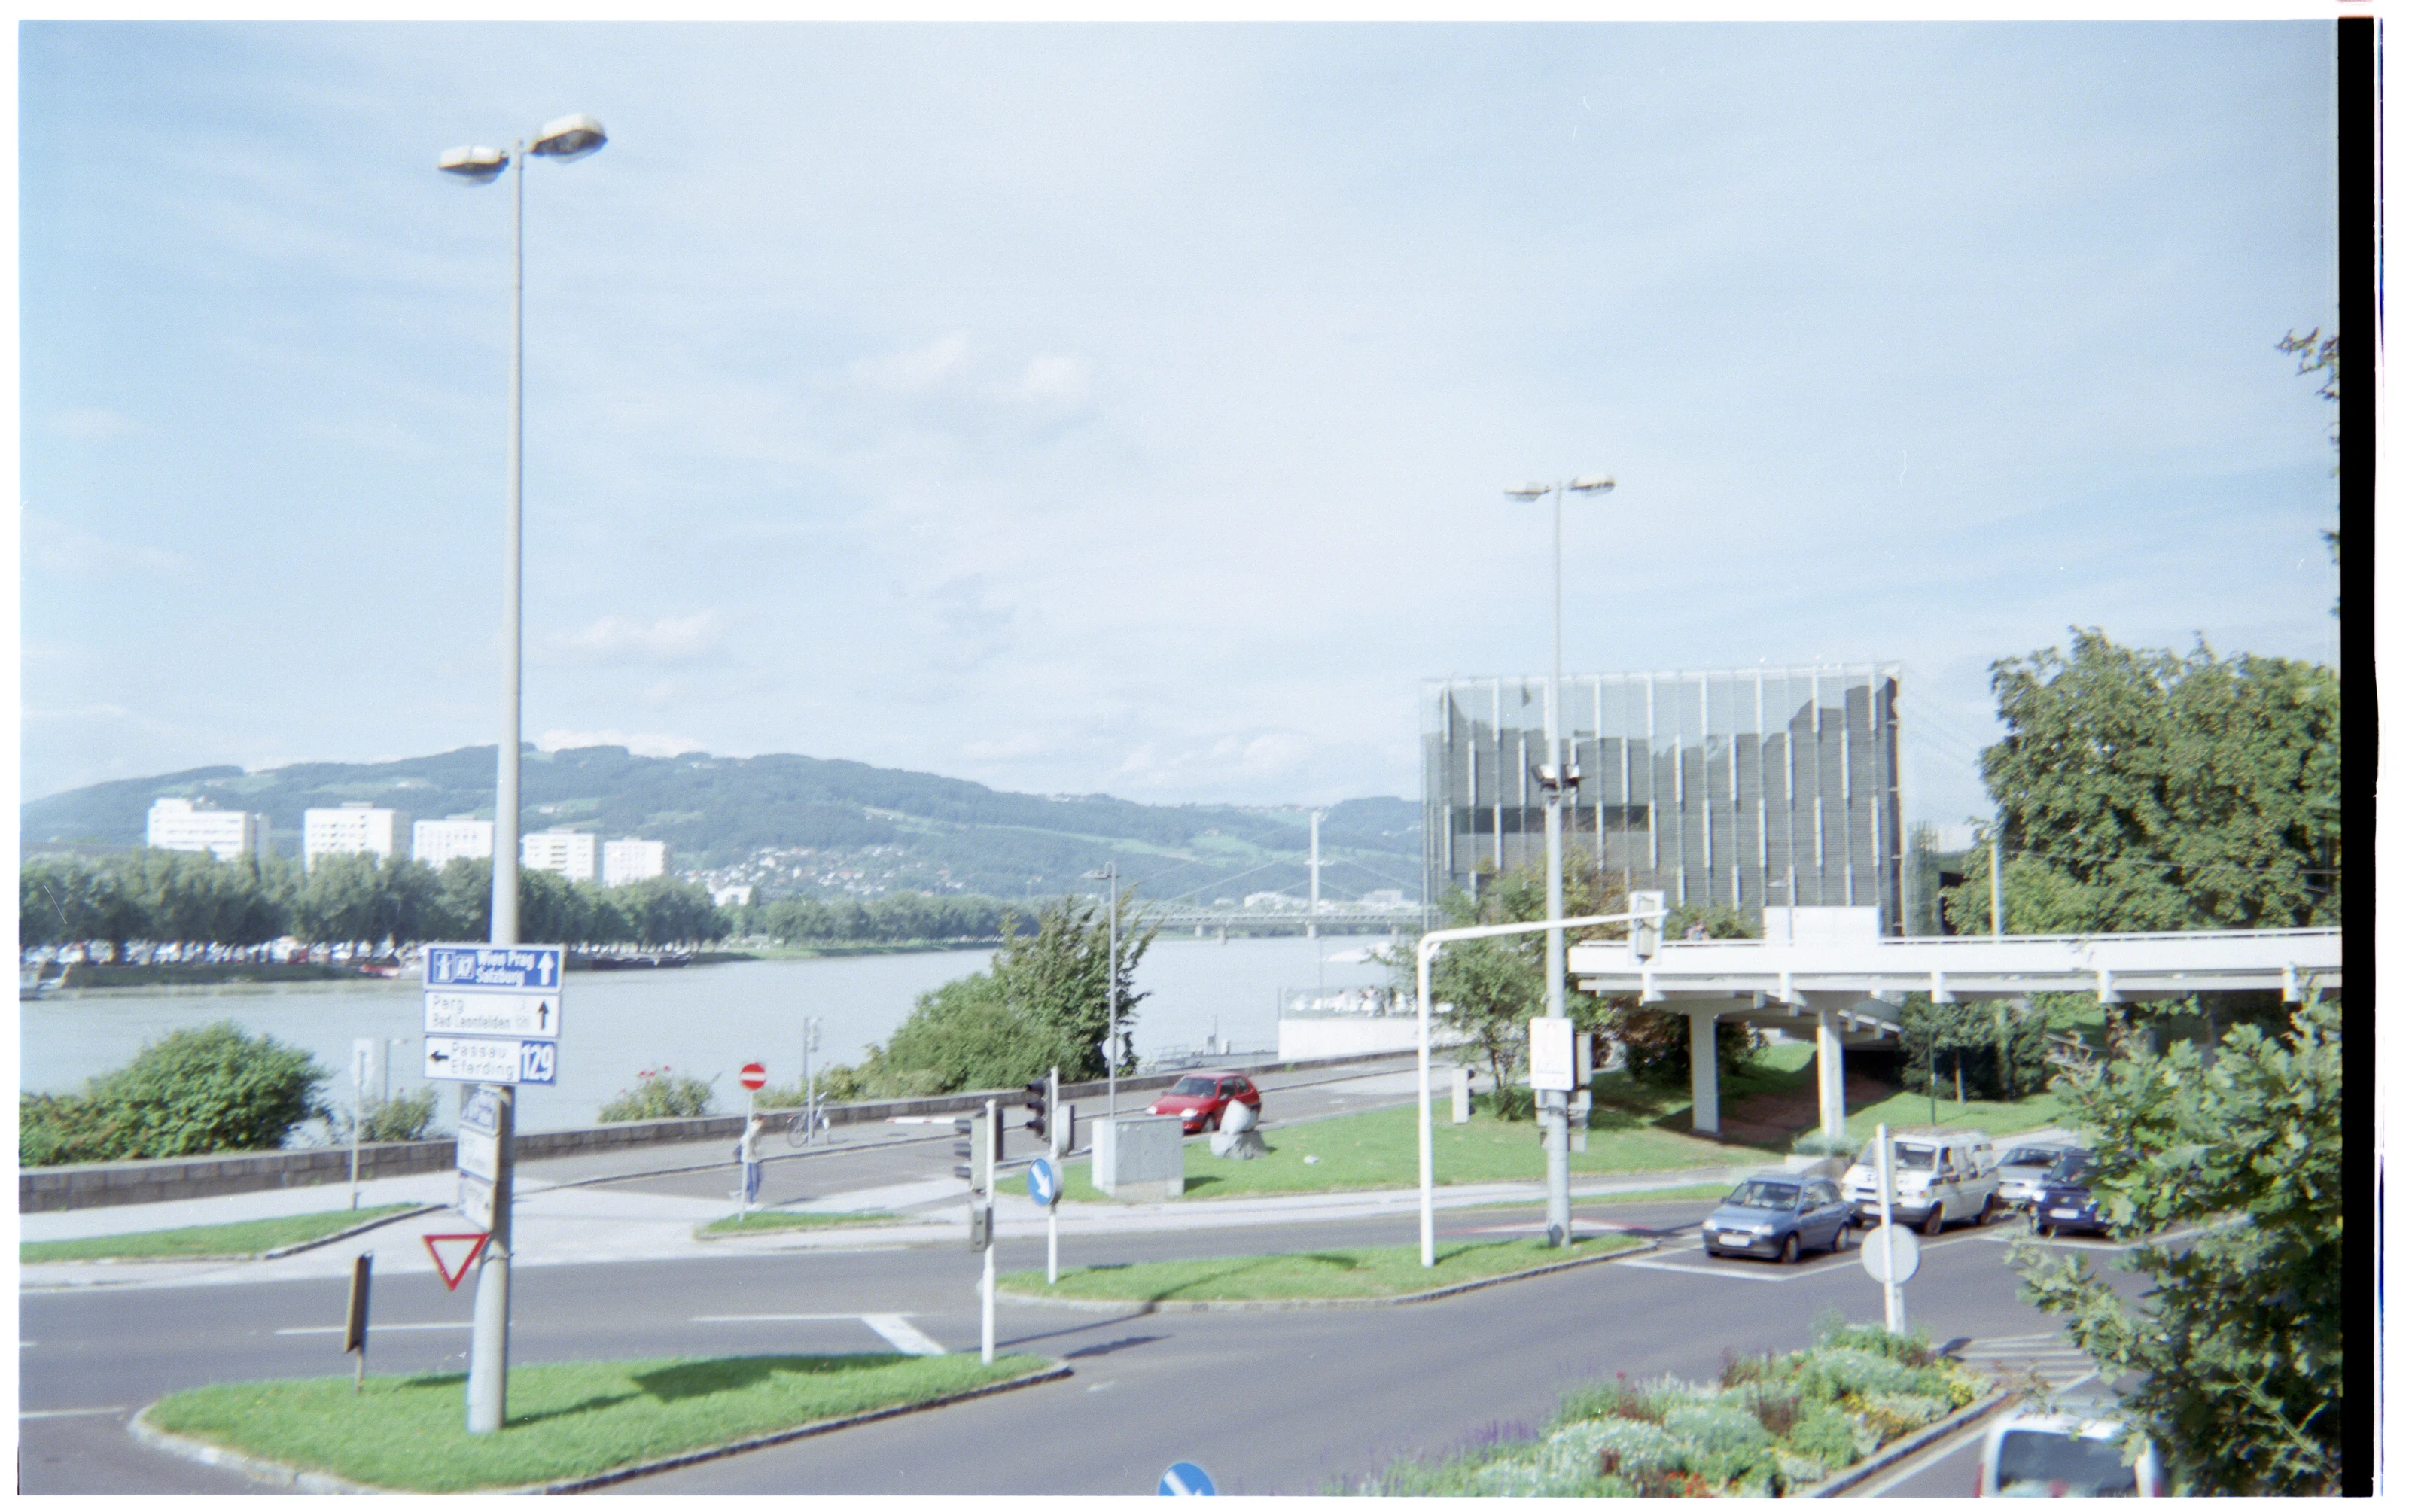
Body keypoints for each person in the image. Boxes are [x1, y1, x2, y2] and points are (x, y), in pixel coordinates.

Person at [737, 1115, 764, 1209]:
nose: (763, 1123)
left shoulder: (754, 1128)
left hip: (754, 1158)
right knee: (754, 1180)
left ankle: (739, 1194)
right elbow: (744, 1140)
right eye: (762, 1121)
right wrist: (749, 1151)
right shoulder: (753, 1129)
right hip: (751, 1158)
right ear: (757, 1120)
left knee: (757, 1179)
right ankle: (752, 1202)